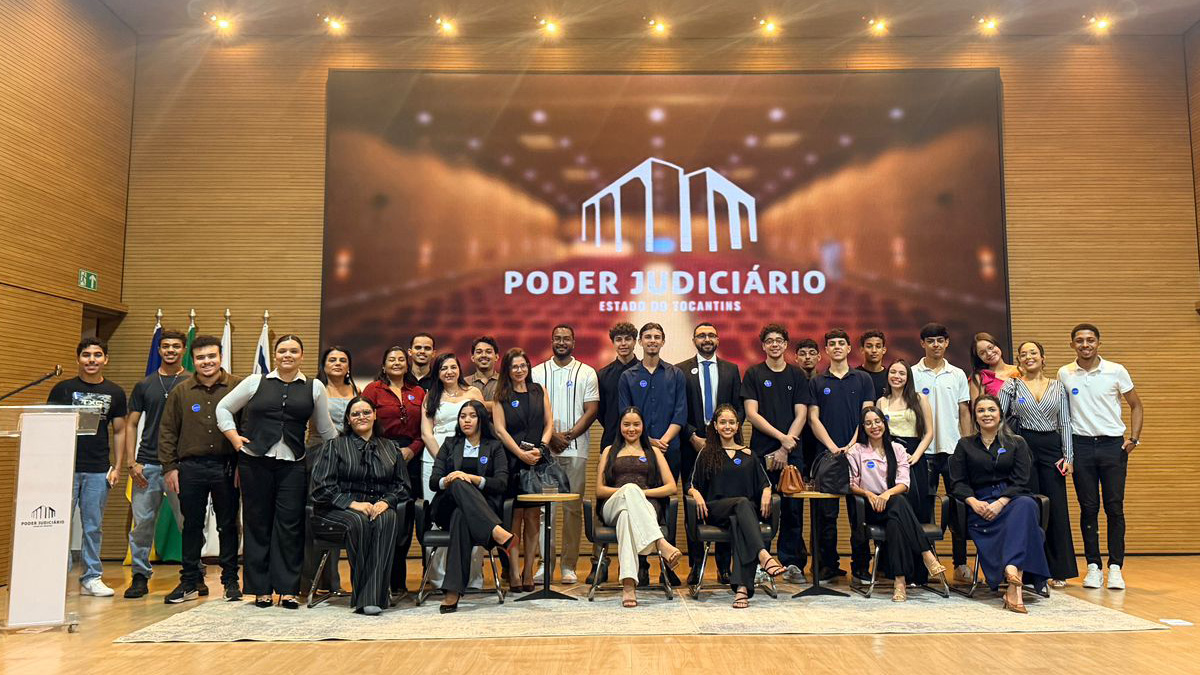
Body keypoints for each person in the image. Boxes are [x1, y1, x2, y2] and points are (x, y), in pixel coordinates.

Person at [216, 334, 337, 609]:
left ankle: (288, 589)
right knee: (257, 523)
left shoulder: (314, 387)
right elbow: (223, 408)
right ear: (275, 354)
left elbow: (325, 427)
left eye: (294, 351)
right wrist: (234, 438)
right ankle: (260, 590)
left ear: (302, 356)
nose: (287, 355)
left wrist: (344, 450)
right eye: (282, 350)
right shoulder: (255, 382)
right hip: (254, 461)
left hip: (293, 464)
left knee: (289, 525)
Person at [1057, 323, 1143, 590]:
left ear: (1098, 343)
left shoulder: (1115, 370)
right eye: (1080, 341)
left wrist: (1133, 439)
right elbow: (1062, 413)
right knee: (1089, 508)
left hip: (1112, 446)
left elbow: (1136, 405)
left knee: (1114, 508)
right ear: (1072, 345)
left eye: (1090, 340)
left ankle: (1115, 567)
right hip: (1081, 447)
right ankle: (1093, 566)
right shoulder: (1064, 373)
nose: (1085, 345)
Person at [159, 335, 242, 604]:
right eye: (200, 358)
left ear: (220, 357)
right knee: (192, 525)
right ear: (192, 360)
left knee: (228, 525)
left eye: (211, 356)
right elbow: (168, 431)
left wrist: (245, 465)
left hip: (227, 466)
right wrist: (170, 468)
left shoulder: (237, 387)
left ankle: (230, 581)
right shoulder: (181, 391)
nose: (206, 362)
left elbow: (248, 427)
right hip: (190, 468)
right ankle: (190, 581)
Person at [949, 395, 1050, 613]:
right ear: (975, 417)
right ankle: (1014, 583)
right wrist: (973, 502)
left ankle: (1013, 575)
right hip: (980, 505)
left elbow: (1022, 479)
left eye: (991, 410)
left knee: (1026, 505)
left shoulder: (1017, 443)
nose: (986, 414)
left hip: (1011, 499)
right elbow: (957, 482)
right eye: (981, 411)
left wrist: (1002, 502)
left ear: (1000, 414)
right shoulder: (965, 445)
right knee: (1027, 522)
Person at [310, 397, 410, 615]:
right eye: (355, 414)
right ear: (348, 419)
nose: (361, 417)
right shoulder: (335, 446)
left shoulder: (390, 447)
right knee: (359, 521)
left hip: (378, 507)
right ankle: (368, 596)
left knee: (389, 518)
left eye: (366, 412)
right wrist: (353, 504)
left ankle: (371, 597)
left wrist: (386, 501)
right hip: (336, 511)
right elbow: (320, 489)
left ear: (375, 415)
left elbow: (402, 486)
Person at [48, 337, 128, 598]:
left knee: (93, 526)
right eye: (86, 355)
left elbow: (119, 431)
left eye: (97, 355)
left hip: (97, 469)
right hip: (65, 467)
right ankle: (56, 576)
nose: (91, 360)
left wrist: (117, 466)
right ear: (78, 359)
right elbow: (48, 427)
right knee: (60, 524)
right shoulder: (63, 389)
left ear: (106, 359)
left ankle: (91, 576)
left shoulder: (115, 392)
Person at [688, 404, 786, 608]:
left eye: (731, 422)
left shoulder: (749, 455)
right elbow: (692, 484)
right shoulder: (707, 453)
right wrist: (695, 493)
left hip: (742, 515)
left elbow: (764, 482)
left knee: (739, 520)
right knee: (742, 503)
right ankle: (763, 554)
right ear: (715, 425)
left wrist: (767, 490)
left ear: (738, 426)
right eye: (722, 422)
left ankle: (742, 589)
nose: (727, 426)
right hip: (715, 510)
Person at [999, 341, 1078, 587]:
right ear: (1019, 361)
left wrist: (1069, 457)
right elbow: (997, 418)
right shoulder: (1011, 385)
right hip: (1022, 446)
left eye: (1033, 353)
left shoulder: (1057, 386)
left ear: (1043, 358)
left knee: (1056, 506)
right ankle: (1031, 571)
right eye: (1023, 354)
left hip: (1052, 447)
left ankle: (1059, 570)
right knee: (1029, 505)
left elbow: (1065, 422)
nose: (1028, 357)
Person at [847, 407, 946, 601]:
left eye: (877, 421)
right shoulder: (856, 451)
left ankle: (899, 583)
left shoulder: (898, 449)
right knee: (898, 505)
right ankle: (926, 553)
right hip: (870, 507)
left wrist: (886, 495)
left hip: (892, 504)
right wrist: (869, 494)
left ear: (884, 423)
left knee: (896, 520)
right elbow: (852, 484)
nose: (874, 426)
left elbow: (904, 483)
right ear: (863, 427)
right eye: (868, 423)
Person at [428, 399, 516, 613]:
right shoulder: (450, 444)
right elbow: (433, 481)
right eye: (463, 416)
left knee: (462, 515)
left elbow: (502, 483)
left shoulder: (494, 447)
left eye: (472, 416)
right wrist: (451, 480)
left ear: (481, 419)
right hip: (446, 507)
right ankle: (496, 531)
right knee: (457, 483)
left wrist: (473, 478)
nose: (466, 420)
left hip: (478, 510)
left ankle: (452, 591)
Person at [617, 322, 687, 586]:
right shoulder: (628, 376)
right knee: (638, 503)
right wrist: (648, 443)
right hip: (637, 450)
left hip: (671, 449)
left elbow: (681, 412)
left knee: (667, 505)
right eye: (647, 337)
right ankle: (642, 566)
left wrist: (663, 441)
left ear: (663, 341)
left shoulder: (675, 374)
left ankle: (668, 567)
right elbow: (626, 414)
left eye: (657, 337)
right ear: (640, 342)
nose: (652, 341)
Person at [122, 329, 188, 599]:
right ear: (158, 350)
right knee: (143, 524)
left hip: (181, 465)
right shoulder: (144, 385)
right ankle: (139, 576)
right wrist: (130, 462)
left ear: (183, 350)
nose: (170, 350)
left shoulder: (192, 382)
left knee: (188, 521)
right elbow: (131, 424)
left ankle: (192, 575)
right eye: (165, 346)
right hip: (147, 465)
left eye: (175, 346)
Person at [594, 407, 682, 607]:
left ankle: (628, 586)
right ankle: (660, 542)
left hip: (646, 507)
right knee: (627, 498)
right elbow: (599, 490)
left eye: (636, 424)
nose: (631, 429)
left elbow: (671, 487)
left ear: (643, 427)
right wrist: (627, 490)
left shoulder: (654, 452)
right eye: (626, 424)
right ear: (620, 426)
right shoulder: (609, 451)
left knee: (627, 516)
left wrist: (639, 493)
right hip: (612, 506)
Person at [531, 324, 599, 585]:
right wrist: (551, 439)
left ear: (574, 341)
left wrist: (567, 436)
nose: (561, 342)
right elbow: (534, 411)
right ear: (551, 341)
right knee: (545, 510)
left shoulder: (587, 372)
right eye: (557, 338)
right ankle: (544, 566)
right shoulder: (537, 372)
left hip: (576, 451)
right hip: (545, 452)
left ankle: (569, 565)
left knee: (572, 508)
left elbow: (591, 410)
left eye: (566, 338)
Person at [807, 329, 876, 582]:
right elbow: (813, 419)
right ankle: (827, 566)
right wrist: (833, 446)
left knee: (859, 514)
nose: (836, 347)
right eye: (831, 344)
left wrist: (851, 444)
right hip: (827, 456)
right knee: (826, 516)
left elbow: (867, 416)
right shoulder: (816, 382)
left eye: (841, 343)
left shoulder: (863, 379)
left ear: (849, 348)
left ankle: (860, 566)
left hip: (858, 454)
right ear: (826, 350)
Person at [741, 323, 808, 585]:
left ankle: (792, 563)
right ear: (763, 345)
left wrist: (785, 447)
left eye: (779, 340)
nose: (775, 344)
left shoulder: (797, 375)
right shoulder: (755, 373)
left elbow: (801, 413)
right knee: (763, 508)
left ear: (786, 344)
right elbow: (751, 414)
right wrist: (780, 439)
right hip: (761, 452)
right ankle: (762, 563)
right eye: (769, 341)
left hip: (792, 454)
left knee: (793, 510)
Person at [676, 321, 743, 583]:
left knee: (725, 500)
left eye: (711, 335)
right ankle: (696, 565)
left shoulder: (731, 370)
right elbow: (679, 408)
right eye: (701, 335)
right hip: (691, 446)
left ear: (718, 340)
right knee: (693, 504)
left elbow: (738, 409)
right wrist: (692, 435)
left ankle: (724, 567)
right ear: (694, 340)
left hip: (725, 445)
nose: (707, 339)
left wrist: (722, 436)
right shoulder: (681, 370)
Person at [361, 346, 425, 597]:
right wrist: (385, 451)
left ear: (407, 363)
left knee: (406, 517)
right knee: (386, 515)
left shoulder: (418, 392)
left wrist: (413, 448)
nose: (397, 363)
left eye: (401, 359)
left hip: (412, 458)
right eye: (391, 359)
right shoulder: (372, 389)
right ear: (384, 365)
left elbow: (425, 427)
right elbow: (365, 423)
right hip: (380, 457)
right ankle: (379, 579)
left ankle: (399, 581)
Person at [910, 322, 972, 582]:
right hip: (923, 451)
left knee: (958, 507)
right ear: (922, 343)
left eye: (940, 340)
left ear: (947, 343)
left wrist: (969, 446)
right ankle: (929, 561)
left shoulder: (957, 374)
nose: (936, 345)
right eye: (930, 340)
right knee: (925, 507)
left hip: (953, 449)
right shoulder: (912, 373)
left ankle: (960, 563)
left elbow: (964, 411)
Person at [420, 352, 486, 589]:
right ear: (437, 373)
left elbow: (485, 425)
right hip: (436, 458)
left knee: (473, 512)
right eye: (443, 368)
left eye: (453, 367)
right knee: (436, 518)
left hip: (469, 458)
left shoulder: (473, 393)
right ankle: (437, 577)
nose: (449, 371)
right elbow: (426, 432)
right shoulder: (431, 396)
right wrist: (444, 461)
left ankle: (472, 576)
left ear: (459, 369)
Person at [301, 346, 359, 596]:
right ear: (323, 365)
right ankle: (308, 583)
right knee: (314, 515)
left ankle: (332, 582)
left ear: (349, 366)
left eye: (342, 360)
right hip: (318, 455)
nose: (337, 363)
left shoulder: (357, 391)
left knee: (338, 514)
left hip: (348, 459)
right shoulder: (314, 388)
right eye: (332, 359)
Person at [492, 348, 552, 590]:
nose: (519, 370)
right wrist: (520, 454)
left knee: (534, 517)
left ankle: (529, 572)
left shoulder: (539, 391)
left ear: (528, 367)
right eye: (514, 366)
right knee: (514, 519)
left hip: (537, 461)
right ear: (507, 369)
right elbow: (499, 430)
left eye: (523, 366)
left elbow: (549, 423)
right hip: (511, 462)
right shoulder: (501, 395)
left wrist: (542, 447)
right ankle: (514, 573)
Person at [591, 321, 639, 584]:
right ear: (614, 343)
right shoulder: (603, 375)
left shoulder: (645, 371)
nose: (623, 343)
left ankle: (640, 564)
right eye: (619, 339)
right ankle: (601, 561)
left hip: (640, 447)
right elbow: (599, 412)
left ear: (635, 342)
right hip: (610, 443)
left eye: (628, 339)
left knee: (641, 500)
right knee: (604, 501)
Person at [877, 360, 935, 522]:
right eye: (893, 372)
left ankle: (918, 544)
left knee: (917, 500)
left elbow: (929, 432)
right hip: (890, 454)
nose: (897, 376)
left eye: (902, 373)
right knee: (894, 502)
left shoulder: (920, 399)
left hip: (913, 455)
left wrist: (916, 455)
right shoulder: (881, 402)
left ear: (908, 377)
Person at [968, 331, 1021, 400]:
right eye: (982, 353)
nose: (989, 353)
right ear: (979, 358)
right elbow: (976, 408)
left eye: (990, 347)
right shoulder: (979, 377)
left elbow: (1028, 399)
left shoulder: (1020, 371)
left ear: (997, 346)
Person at [465, 336, 500, 404]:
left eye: (488, 352)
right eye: (479, 352)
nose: (483, 355)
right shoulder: (464, 383)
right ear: (472, 358)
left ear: (496, 357)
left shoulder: (505, 382)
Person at [855, 329, 889, 399]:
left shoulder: (889, 377)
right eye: (869, 346)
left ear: (884, 350)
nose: (874, 350)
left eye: (878, 346)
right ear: (862, 350)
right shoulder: (854, 376)